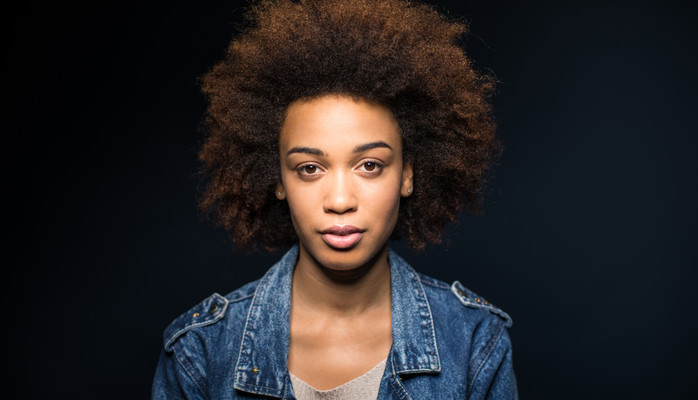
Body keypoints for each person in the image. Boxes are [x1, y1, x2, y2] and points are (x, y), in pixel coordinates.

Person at [152, 0, 517, 398]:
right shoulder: (201, 351)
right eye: (310, 168)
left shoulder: (474, 343)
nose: (340, 200)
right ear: (277, 179)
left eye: (370, 165)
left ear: (407, 174)